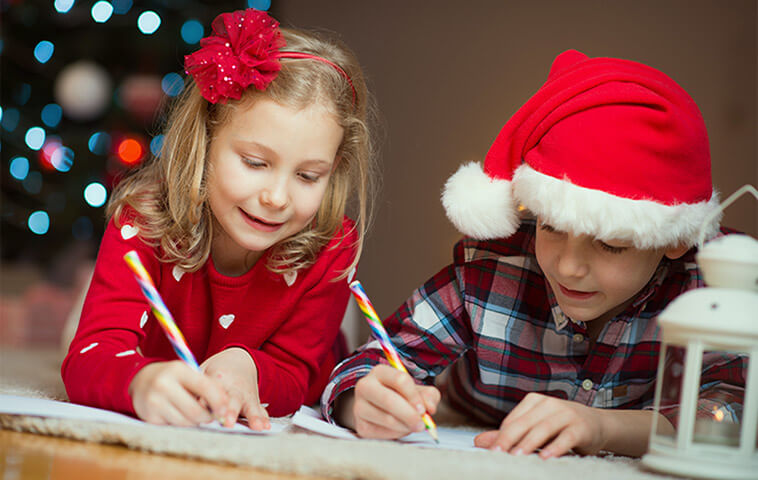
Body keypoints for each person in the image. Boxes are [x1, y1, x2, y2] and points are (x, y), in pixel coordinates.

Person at [323, 50, 746, 458]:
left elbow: (729, 416)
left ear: (674, 238)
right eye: (552, 228)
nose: (568, 267)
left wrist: (602, 428)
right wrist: (360, 399)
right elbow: (370, 362)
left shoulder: (708, 287)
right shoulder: (490, 270)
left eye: (611, 245)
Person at [62, 8, 377, 430]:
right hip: (153, 326)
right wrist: (140, 381)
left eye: (308, 175)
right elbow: (88, 360)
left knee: (338, 366)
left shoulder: (332, 247)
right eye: (254, 162)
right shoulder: (142, 221)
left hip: (315, 347)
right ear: (206, 139)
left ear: (334, 168)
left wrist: (249, 367)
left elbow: (295, 375)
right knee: (83, 336)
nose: (277, 197)